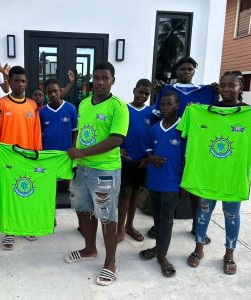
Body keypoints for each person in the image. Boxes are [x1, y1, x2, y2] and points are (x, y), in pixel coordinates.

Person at [183, 71, 251, 275]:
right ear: (219, 87)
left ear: (241, 87)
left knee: (232, 215)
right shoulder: (201, 111)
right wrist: (190, 112)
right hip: (207, 176)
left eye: (232, 85)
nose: (227, 89)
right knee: (203, 213)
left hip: (232, 177)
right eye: (223, 85)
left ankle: (229, 254)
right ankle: (199, 249)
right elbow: (186, 134)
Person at [65, 62, 129, 286]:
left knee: (107, 216)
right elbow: (81, 134)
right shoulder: (83, 104)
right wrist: (75, 158)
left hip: (105, 171)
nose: (100, 82)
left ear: (113, 80)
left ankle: (110, 262)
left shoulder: (118, 107)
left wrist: (81, 152)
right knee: (83, 210)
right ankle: (89, 248)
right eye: (97, 77)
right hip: (81, 168)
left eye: (105, 78)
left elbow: (116, 140)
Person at [150, 57, 219, 242]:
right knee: (166, 187)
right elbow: (157, 117)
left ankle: (197, 226)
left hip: (195, 146)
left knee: (194, 188)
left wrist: (216, 92)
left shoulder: (206, 91)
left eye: (190, 69)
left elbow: (215, 116)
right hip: (171, 144)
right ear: (176, 71)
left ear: (194, 71)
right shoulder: (167, 91)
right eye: (182, 69)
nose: (186, 71)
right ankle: (159, 225)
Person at [0, 66, 42, 249]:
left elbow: (37, 132)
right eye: (16, 81)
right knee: (10, 194)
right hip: (8, 158)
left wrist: (38, 153)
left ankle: (26, 225)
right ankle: (9, 231)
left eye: (23, 81)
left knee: (27, 190)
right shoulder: (1, 104)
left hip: (27, 157)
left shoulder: (32, 105)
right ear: (9, 82)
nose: (20, 84)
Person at [138, 92, 184, 277]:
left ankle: (162, 256)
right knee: (156, 217)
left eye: (169, 104)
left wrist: (185, 184)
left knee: (166, 219)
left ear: (177, 105)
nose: (165, 108)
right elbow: (149, 149)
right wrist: (151, 158)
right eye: (163, 104)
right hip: (154, 180)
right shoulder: (155, 129)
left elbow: (189, 157)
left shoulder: (184, 128)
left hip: (172, 182)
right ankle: (158, 247)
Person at [117, 78, 159, 243]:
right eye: (140, 92)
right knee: (124, 193)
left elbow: (156, 135)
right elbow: (114, 132)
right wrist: (118, 148)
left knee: (135, 193)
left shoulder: (152, 113)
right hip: (125, 159)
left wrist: (149, 158)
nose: (143, 95)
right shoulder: (123, 109)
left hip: (143, 161)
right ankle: (120, 229)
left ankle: (130, 226)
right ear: (134, 90)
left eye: (146, 94)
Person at [40, 77, 78, 229]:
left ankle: (81, 220)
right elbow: (40, 134)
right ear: (46, 94)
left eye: (55, 91)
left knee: (73, 189)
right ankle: (51, 216)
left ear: (60, 90)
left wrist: (74, 149)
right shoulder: (42, 112)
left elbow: (75, 131)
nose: (53, 94)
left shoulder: (71, 109)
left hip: (66, 156)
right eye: (49, 92)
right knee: (50, 189)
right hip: (49, 156)